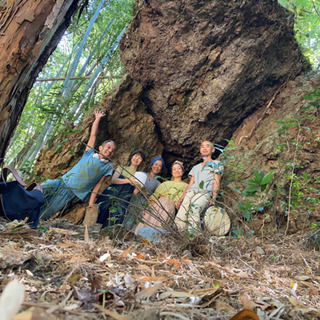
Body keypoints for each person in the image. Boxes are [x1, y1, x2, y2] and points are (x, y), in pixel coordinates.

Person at [40, 111, 116, 220]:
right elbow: (93, 135)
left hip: (71, 192)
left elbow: (98, 184)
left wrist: (91, 203)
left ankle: (32, 221)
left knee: (49, 210)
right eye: (108, 147)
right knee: (42, 187)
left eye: (112, 151)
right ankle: (20, 196)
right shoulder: (89, 154)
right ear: (100, 148)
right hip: (62, 182)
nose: (109, 151)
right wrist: (97, 118)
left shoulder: (108, 166)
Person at [174, 141, 223, 232]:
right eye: (202, 146)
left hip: (204, 193)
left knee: (194, 209)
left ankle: (194, 237)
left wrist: (213, 198)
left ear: (213, 150)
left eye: (207, 146)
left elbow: (216, 181)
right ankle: (180, 238)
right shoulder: (195, 167)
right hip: (191, 192)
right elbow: (190, 184)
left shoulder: (217, 164)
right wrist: (181, 198)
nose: (204, 148)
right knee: (181, 214)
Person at [135, 160, 188, 236]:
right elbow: (155, 196)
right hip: (157, 204)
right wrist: (147, 207)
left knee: (160, 225)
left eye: (179, 168)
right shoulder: (165, 183)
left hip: (170, 205)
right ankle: (139, 239)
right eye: (174, 169)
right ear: (172, 172)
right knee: (148, 220)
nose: (177, 171)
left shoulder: (185, 186)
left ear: (183, 171)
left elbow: (182, 200)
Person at [96, 150, 145, 228]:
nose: (137, 159)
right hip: (111, 193)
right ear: (131, 157)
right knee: (102, 211)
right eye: (136, 156)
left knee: (116, 217)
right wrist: (129, 180)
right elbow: (113, 180)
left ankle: (106, 235)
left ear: (141, 161)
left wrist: (139, 189)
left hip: (123, 199)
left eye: (140, 158)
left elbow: (132, 194)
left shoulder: (139, 176)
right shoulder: (121, 168)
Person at [124, 157, 165, 230]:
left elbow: (155, 197)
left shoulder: (159, 184)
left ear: (161, 169)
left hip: (144, 204)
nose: (157, 167)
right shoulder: (141, 174)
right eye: (156, 164)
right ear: (151, 165)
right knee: (127, 217)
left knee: (137, 223)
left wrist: (148, 196)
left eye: (160, 166)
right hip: (134, 199)